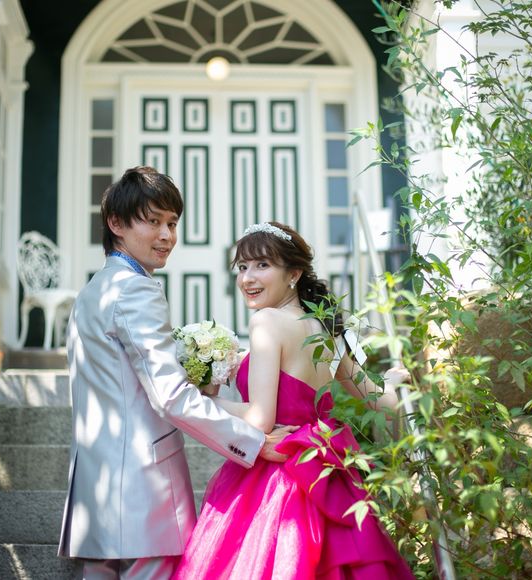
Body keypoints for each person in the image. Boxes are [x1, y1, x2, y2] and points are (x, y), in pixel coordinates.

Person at [57, 168, 295, 579]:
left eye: (172, 223)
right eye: (153, 221)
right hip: (143, 487)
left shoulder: (92, 291)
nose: (167, 235)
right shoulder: (136, 289)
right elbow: (169, 395)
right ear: (116, 224)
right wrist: (253, 442)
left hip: (96, 487)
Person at [174, 221, 415, 579]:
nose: (248, 278)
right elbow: (376, 399)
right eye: (242, 267)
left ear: (294, 274)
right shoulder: (326, 327)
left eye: (262, 265)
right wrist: (392, 382)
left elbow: (260, 419)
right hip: (326, 469)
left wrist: (197, 401)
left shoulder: (266, 322)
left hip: (281, 474)